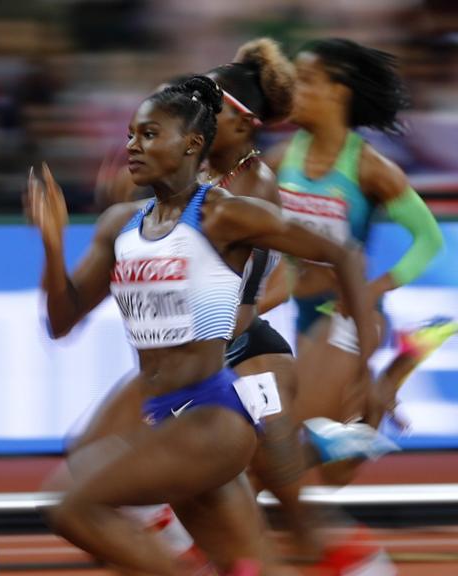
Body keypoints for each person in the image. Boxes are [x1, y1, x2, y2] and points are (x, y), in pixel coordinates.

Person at [28, 75, 377, 575]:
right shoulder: (121, 226)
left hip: (213, 422)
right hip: (166, 419)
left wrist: (365, 365)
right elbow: (61, 322)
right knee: (248, 566)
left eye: (149, 134)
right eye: (130, 133)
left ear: (192, 144)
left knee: (71, 503)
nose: (132, 145)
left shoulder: (223, 216)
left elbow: (341, 254)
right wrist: (53, 245)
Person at [260, 39, 452, 473]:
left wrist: (372, 290)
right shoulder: (278, 159)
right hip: (304, 312)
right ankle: (397, 369)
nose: (293, 91)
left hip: (351, 314)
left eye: (306, 81)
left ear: (338, 92)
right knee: (335, 474)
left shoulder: (370, 169)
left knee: (290, 445)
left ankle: (390, 372)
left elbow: (428, 240)